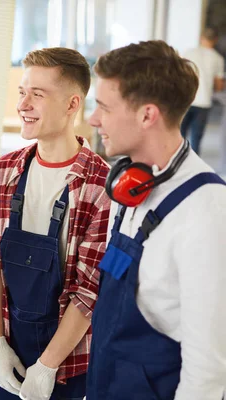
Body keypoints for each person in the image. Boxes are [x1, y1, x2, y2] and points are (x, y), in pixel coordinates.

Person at [87, 40, 226, 400]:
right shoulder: (133, 184)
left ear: (147, 115)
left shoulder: (205, 210)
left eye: (103, 106)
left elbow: (207, 368)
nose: (93, 119)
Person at [0, 47, 111, 400]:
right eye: (22, 92)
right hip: (9, 348)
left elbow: (90, 289)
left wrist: (48, 365)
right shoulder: (6, 171)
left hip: (68, 364)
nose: (23, 104)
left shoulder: (100, 186)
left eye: (37, 95)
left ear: (72, 105)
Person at [181, 27, 225, 155]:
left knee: (179, 135)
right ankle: (193, 166)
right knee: (196, 138)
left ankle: (177, 163)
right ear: (215, 40)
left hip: (186, 100)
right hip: (204, 103)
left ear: (201, 38)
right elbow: (218, 85)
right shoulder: (218, 58)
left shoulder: (189, 53)